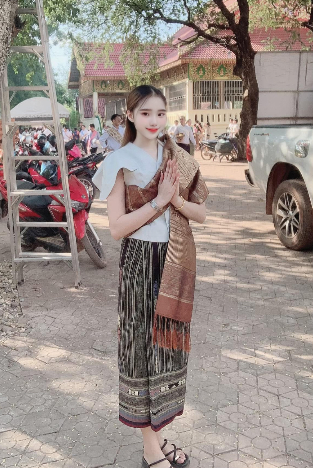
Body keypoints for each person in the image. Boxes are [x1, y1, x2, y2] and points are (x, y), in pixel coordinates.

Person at [92, 85, 208, 468]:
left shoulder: (176, 155)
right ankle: (149, 450)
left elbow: (201, 213)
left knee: (166, 351)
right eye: (145, 113)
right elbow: (116, 228)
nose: (154, 121)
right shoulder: (119, 161)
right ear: (130, 116)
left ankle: (157, 439)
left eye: (160, 113)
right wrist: (159, 201)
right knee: (141, 350)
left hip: (173, 260)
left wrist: (175, 199)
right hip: (139, 262)